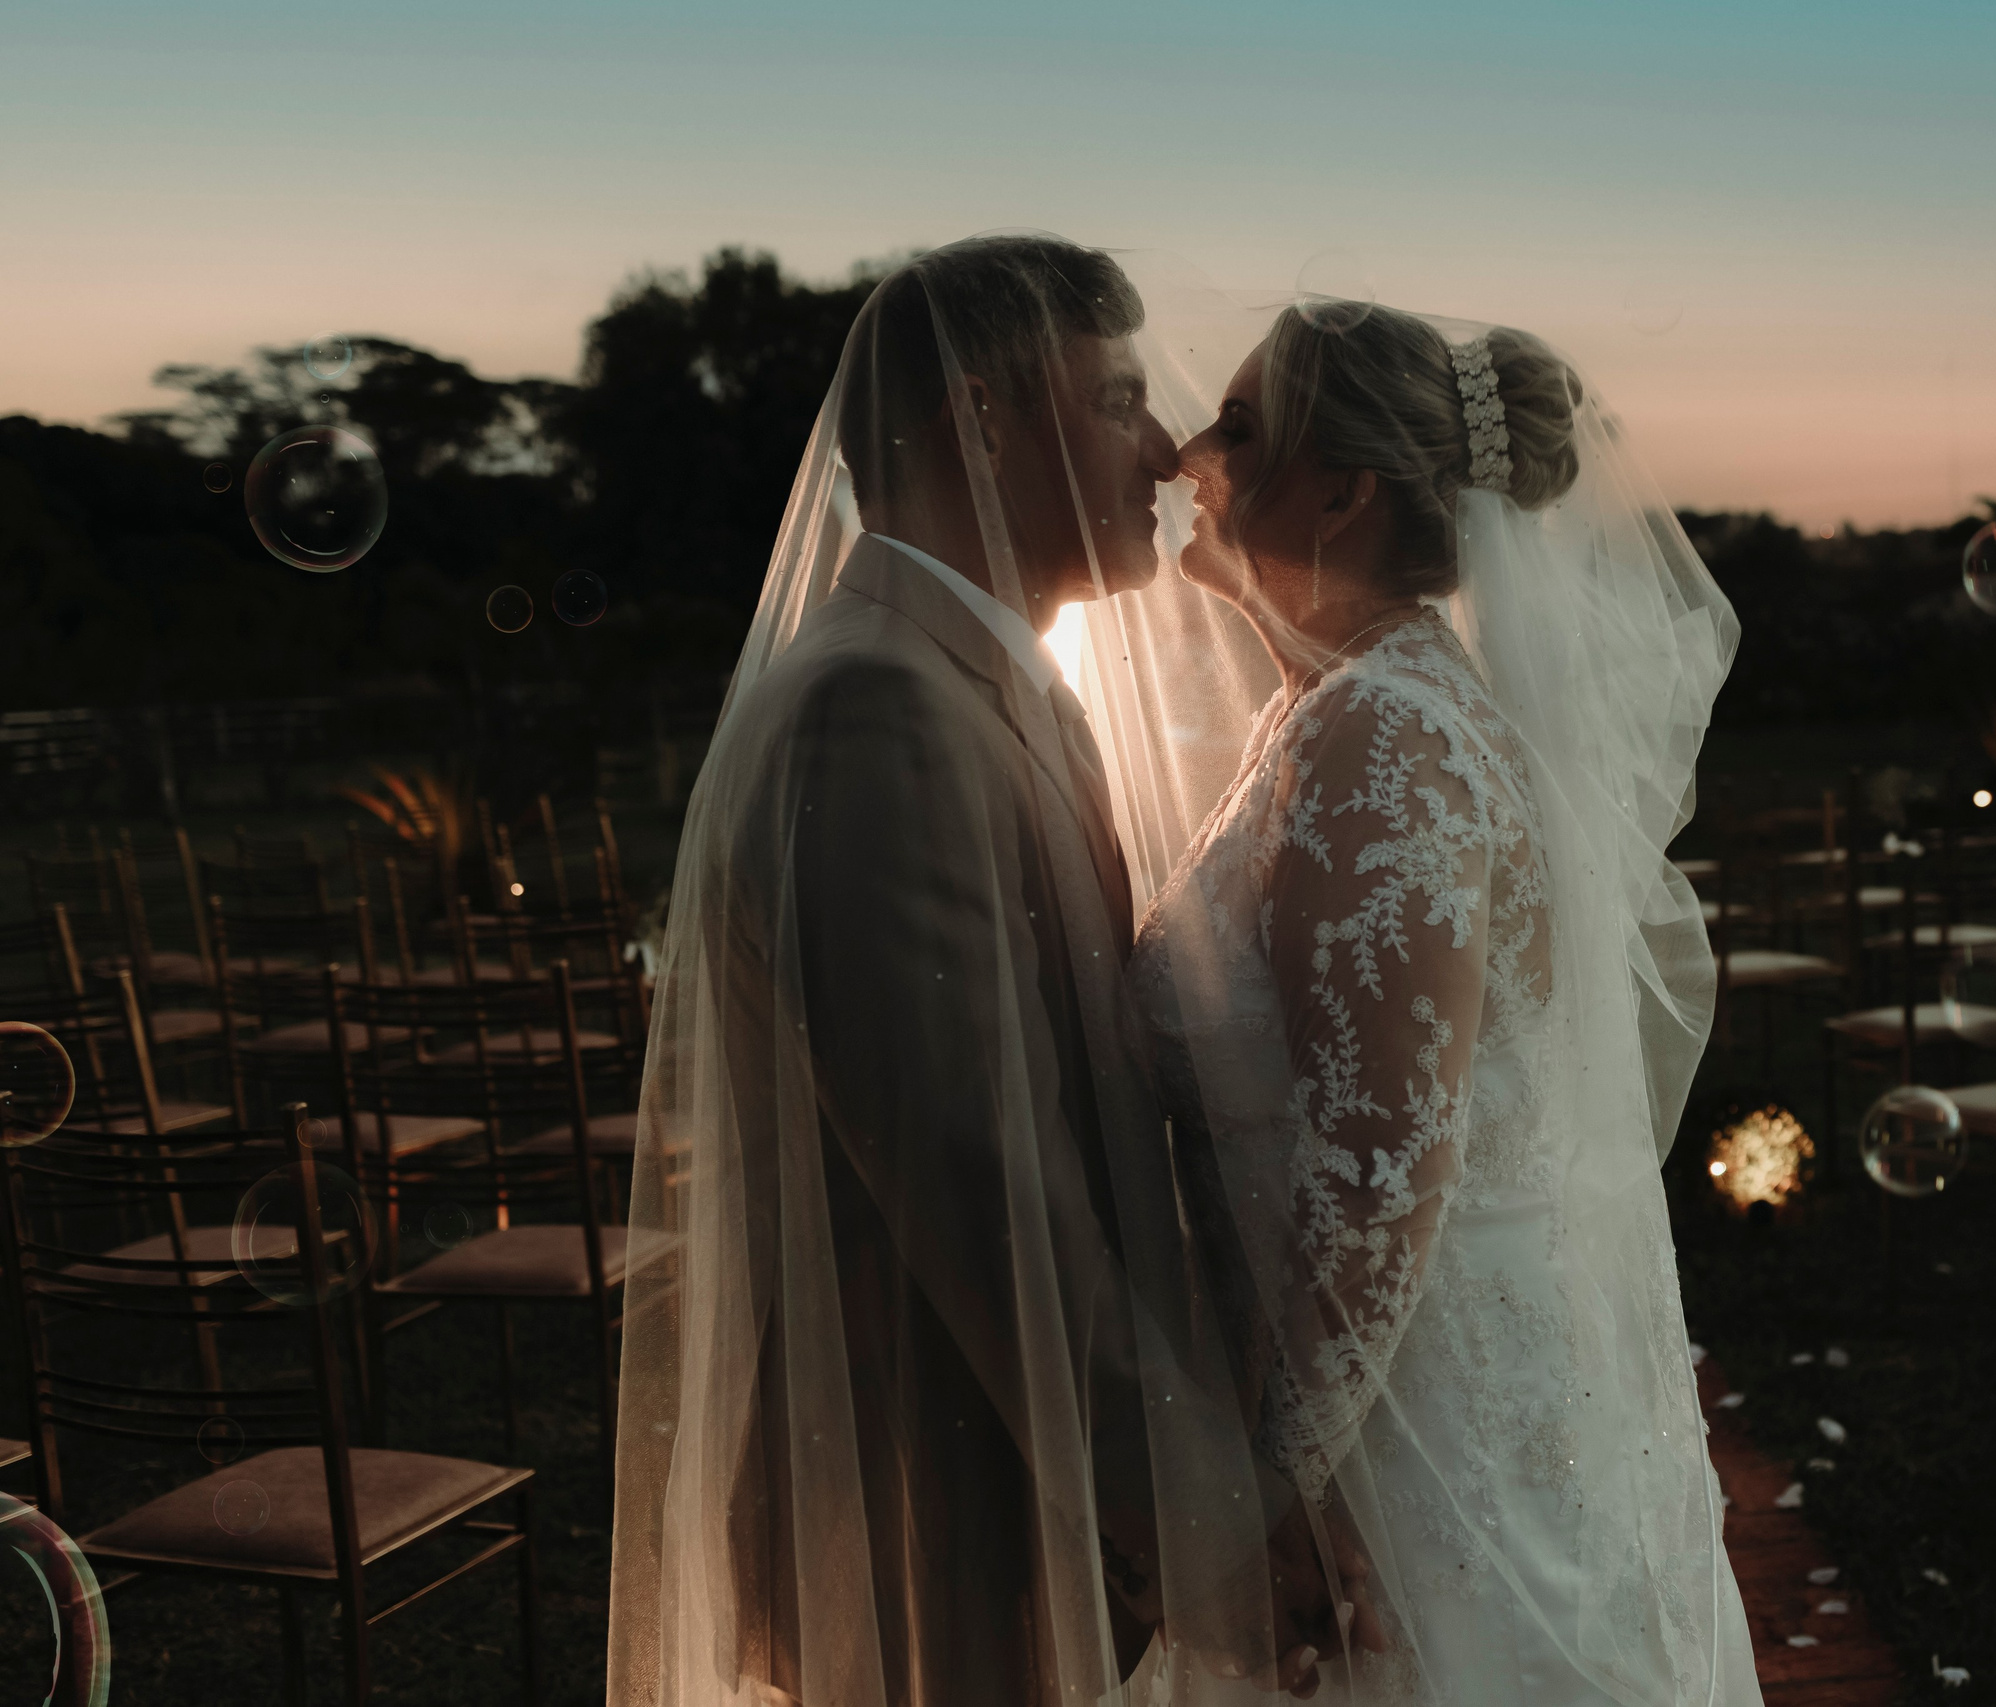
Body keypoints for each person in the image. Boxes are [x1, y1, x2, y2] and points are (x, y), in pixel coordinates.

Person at [606, 235, 1364, 1707]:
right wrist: (1208, 1523)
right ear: (981, 417)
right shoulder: (869, 714)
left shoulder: (981, 684)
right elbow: (979, 1179)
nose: (1164, 449)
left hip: (1027, 1483)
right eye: (1119, 399)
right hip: (935, 1503)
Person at [1080, 295, 1761, 1702]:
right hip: (1421, 1402)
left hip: (1417, 1459)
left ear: (1344, 486)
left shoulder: (1385, 737)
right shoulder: (1349, 707)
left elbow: (1385, 1170)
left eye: (1244, 425)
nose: (1190, 451)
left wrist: (1263, 1498)